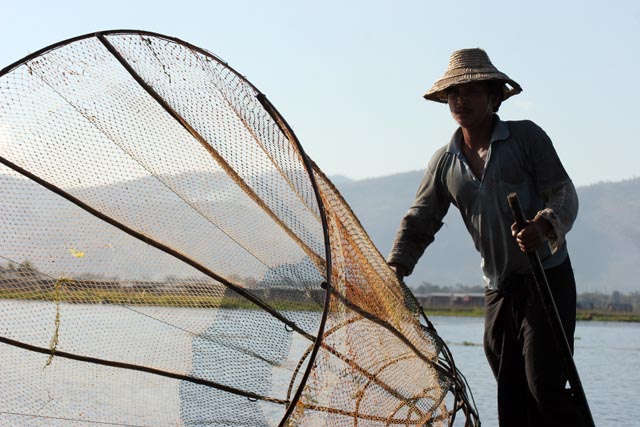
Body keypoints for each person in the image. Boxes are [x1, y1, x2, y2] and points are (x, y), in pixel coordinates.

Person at [387, 48, 583, 426]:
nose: (461, 100)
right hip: (499, 287)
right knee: (509, 394)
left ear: (493, 97)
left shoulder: (526, 138)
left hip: (547, 279)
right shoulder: (445, 161)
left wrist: (542, 227)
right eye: (454, 93)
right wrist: (396, 266)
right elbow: (420, 220)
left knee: (543, 384)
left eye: (471, 91)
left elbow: (563, 192)